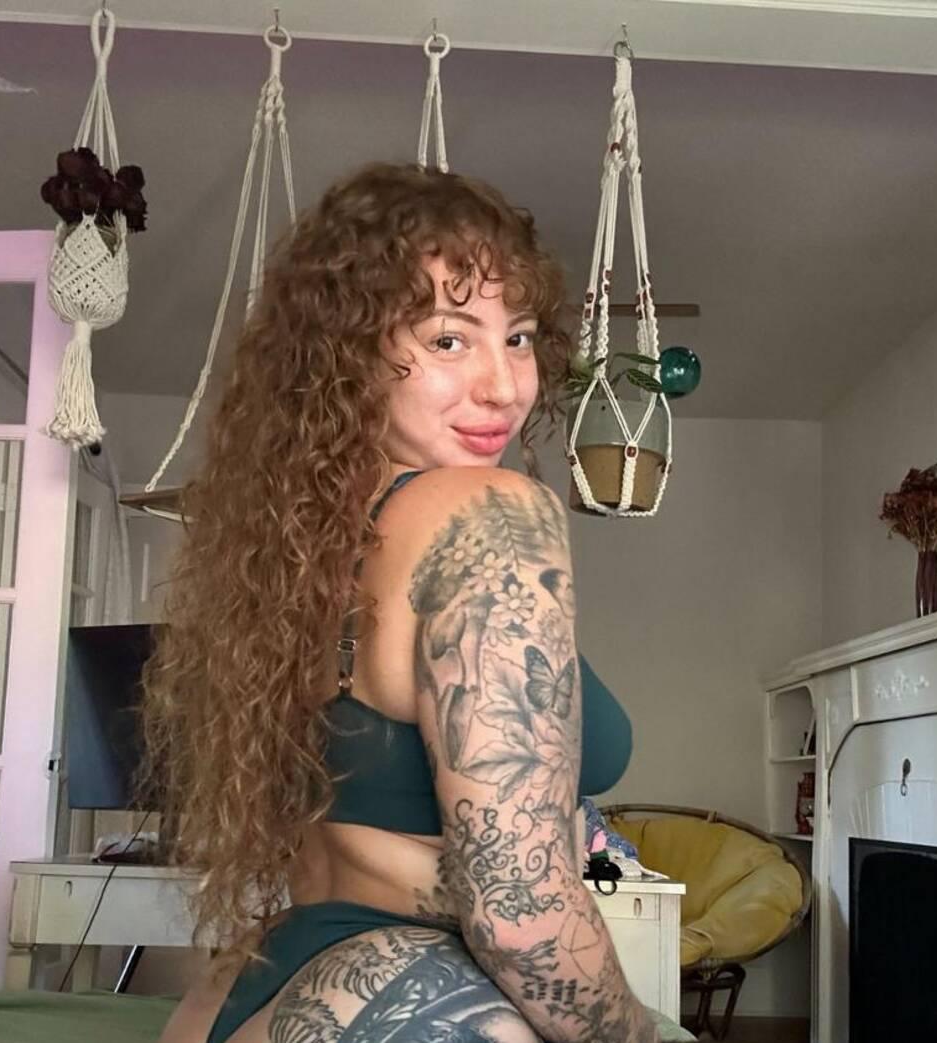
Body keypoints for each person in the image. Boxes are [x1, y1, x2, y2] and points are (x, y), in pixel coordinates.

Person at [144, 161, 654, 1043]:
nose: (504, 384)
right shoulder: (484, 511)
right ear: (347, 357)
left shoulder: (297, 553)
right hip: (403, 995)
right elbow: (519, 908)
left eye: (519, 337)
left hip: (265, 986)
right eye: (449, 339)